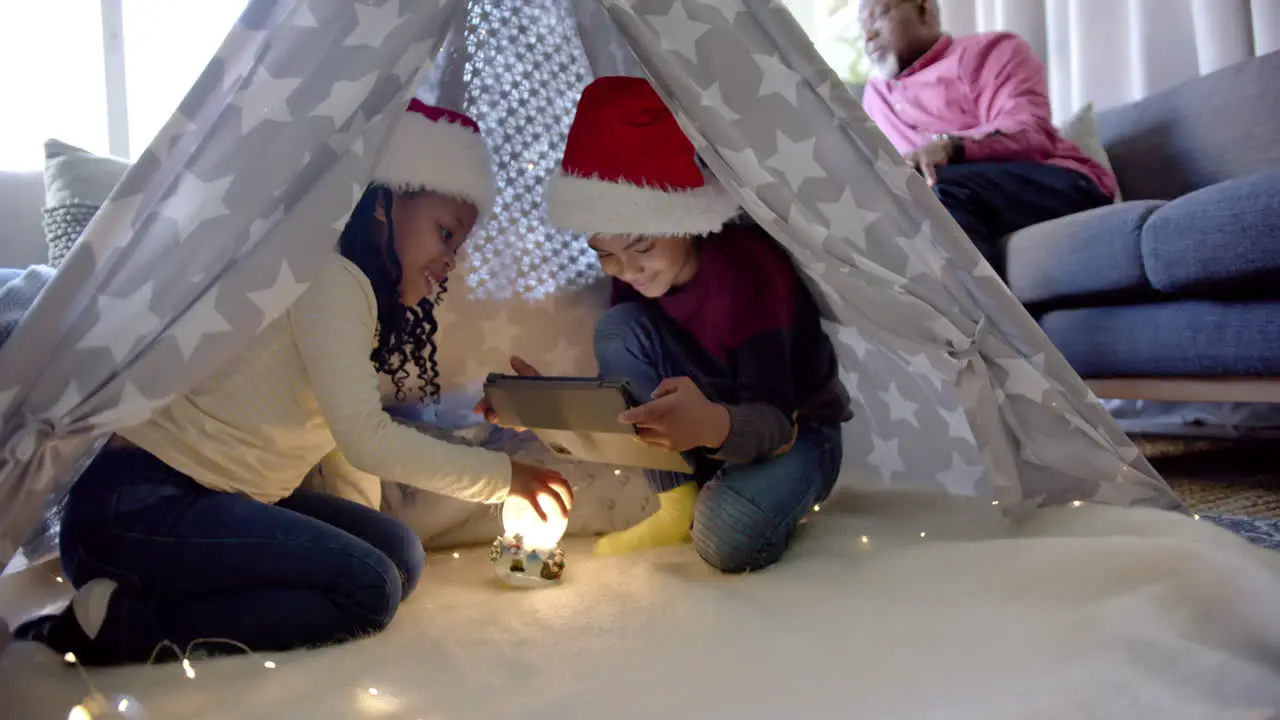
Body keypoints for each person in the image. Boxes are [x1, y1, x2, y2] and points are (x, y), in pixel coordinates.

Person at [15, 100, 573, 666]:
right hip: (137, 510)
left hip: (209, 502)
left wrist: (359, 539)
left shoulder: (358, 299)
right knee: (370, 589)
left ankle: (160, 593)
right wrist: (505, 477)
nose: (449, 260)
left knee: (398, 555)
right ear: (383, 204)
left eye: (456, 244)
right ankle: (123, 627)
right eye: (445, 233)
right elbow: (365, 437)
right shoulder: (331, 279)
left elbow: (344, 437)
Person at [483, 76, 853, 573]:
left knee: (727, 535)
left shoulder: (750, 274)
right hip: (701, 437)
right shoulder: (634, 284)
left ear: (683, 220)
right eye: (605, 255)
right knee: (617, 326)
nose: (627, 269)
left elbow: (776, 423)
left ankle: (727, 499)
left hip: (793, 431)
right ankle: (675, 504)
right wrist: (548, 410)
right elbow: (626, 403)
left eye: (641, 247)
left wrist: (713, 425)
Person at [858, 0, 1116, 270]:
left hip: (1055, 182)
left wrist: (949, 147)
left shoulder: (991, 51)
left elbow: (1028, 129)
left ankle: (979, 313)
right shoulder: (874, 99)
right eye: (862, 28)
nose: (868, 36)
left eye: (879, 17)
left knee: (933, 190)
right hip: (948, 197)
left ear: (925, 10)